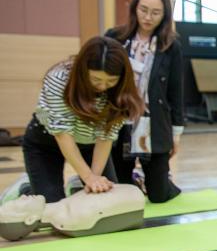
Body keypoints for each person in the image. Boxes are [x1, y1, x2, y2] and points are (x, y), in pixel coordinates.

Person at [19, 36, 143, 203]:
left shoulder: (121, 90)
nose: (102, 87)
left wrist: (94, 179)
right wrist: (88, 177)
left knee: (105, 199)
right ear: (83, 71)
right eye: (96, 80)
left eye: (111, 81)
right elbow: (63, 135)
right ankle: (26, 190)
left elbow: (106, 136)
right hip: (47, 143)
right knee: (53, 206)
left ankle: (76, 186)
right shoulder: (60, 79)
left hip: (90, 144)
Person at [106, 0, 184, 203]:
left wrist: (176, 134)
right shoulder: (115, 37)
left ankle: (156, 180)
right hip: (120, 121)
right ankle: (133, 180)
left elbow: (176, 91)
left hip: (154, 122)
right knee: (122, 191)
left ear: (165, 15)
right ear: (134, 8)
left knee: (159, 195)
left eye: (156, 12)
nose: (148, 17)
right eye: (144, 10)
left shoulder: (171, 45)